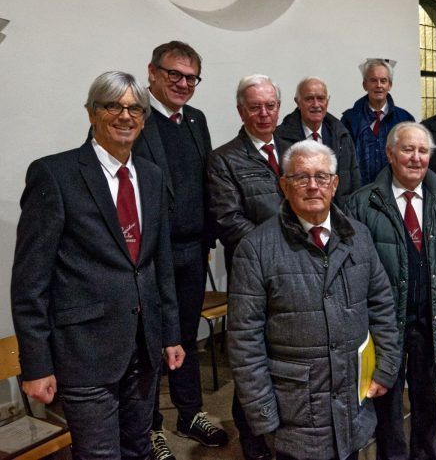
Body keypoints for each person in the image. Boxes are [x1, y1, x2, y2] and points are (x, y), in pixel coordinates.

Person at [11, 71, 184, 459]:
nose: (125, 116)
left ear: (144, 119)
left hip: (144, 344)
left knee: (139, 448)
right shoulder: (55, 174)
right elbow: (30, 281)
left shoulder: (152, 176)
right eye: (112, 106)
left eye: (135, 109)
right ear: (92, 113)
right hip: (84, 351)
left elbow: (160, 264)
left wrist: (170, 334)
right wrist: (36, 365)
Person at [228, 140, 400, 460]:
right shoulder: (255, 249)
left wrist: (385, 368)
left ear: (334, 184)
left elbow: (382, 306)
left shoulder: (359, 237)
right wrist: (263, 413)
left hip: (351, 399)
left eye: (322, 176)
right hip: (295, 412)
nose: (312, 185)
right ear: (284, 186)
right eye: (301, 177)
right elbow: (244, 342)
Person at [345, 122, 436, 460]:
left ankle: (424, 453)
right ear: (390, 154)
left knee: (425, 396)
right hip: (383, 324)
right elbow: (349, 270)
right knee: (386, 399)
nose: (416, 158)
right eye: (408, 149)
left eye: (423, 151)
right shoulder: (361, 204)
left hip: (431, 319)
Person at [132, 41, 227, 459]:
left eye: (191, 77)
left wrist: (208, 236)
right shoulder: (133, 116)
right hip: (151, 256)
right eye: (174, 74)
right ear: (152, 72)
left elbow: (204, 180)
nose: (183, 84)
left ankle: (189, 413)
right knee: (151, 341)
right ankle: (150, 427)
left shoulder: (195, 119)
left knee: (186, 337)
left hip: (192, 250)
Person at [206, 74, 288, 460]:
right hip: (253, 275)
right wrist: (279, 251)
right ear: (241, 111)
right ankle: (253, 444)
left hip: (296, 274)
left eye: (270, 105)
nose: (264, 113)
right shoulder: (223, 159)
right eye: (255, 107)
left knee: (286, 354)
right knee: (252, 361)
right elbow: (229, 221)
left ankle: (281, 433)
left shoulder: (293, 149)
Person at [275, 76, 361, 205]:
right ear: (297, 102)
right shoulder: (280, 138)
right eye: (309, 99)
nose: (316, 105)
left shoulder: (342, 135)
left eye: (321, 98)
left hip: (339, 214)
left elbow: (355, 183)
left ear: (327, 102)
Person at [341, 58, 415, 185]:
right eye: (373, 80)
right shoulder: (350, 120)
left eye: (383, 81)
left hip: (395, 190)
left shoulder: (405, 120)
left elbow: (412, 158)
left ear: (390, 85)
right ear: (365, 85)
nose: (379, 85)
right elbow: (345, 164)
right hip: (359, 192)